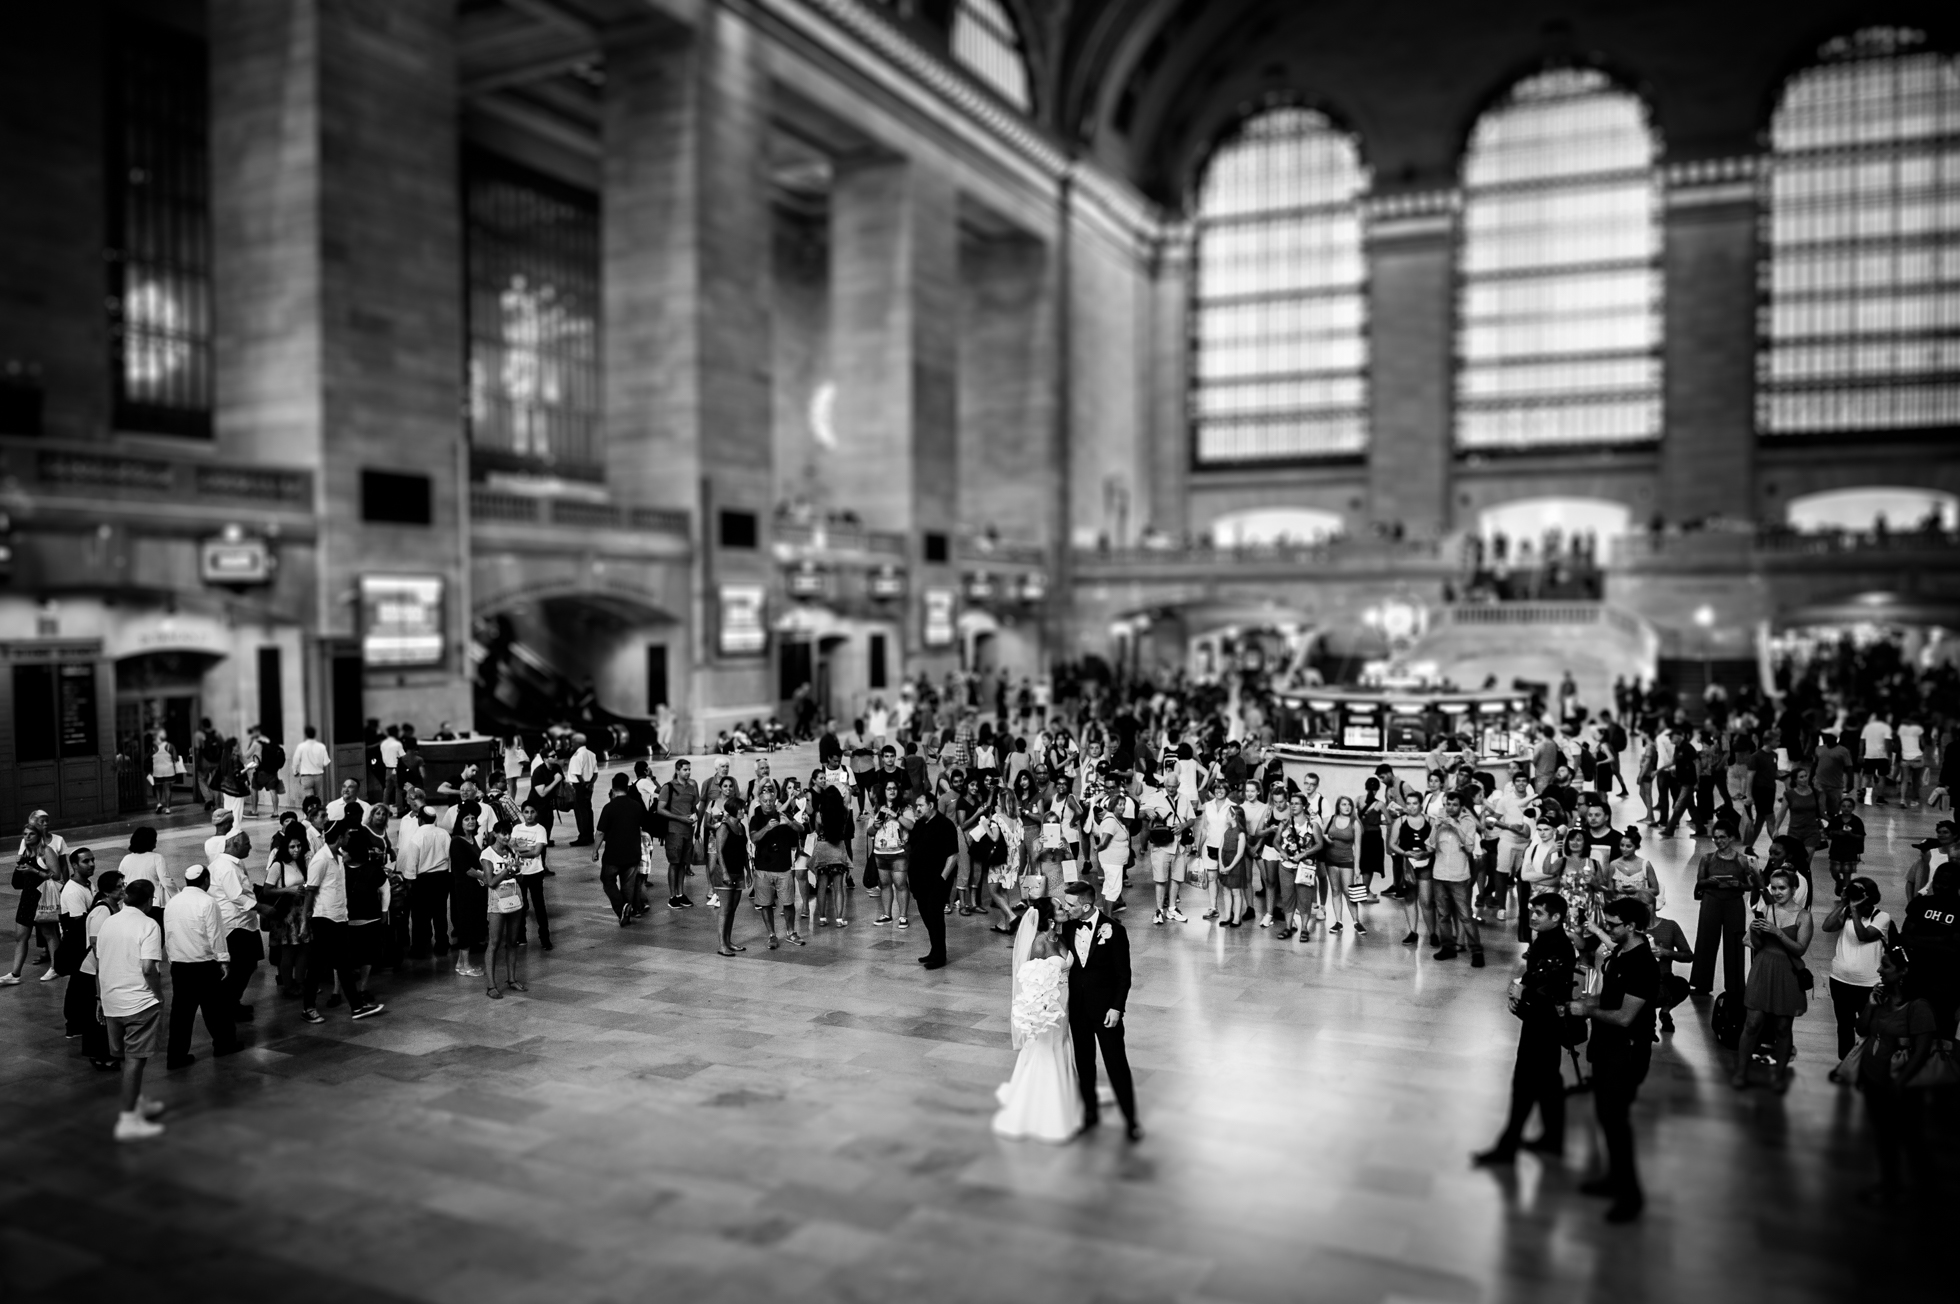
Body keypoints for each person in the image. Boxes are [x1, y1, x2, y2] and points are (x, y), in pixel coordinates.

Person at [1571, 897, 1658, 1223]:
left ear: (1632, 926)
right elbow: (1610, 997)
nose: (1607, 929)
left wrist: (1587, 1009)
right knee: (1607, 1117)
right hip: (1608, 1046)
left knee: (1616, 1120)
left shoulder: (1642, 964)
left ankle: (1630, 1195)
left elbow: (1623, 1016)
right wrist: (1586, 999)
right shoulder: (1621, 951)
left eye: (1612, 924)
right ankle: (1614, 1180)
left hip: (1627, 1050)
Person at [1474, 892, 1578, 1165]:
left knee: (1524, 1084)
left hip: (1543, 1025)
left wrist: (1524, 994)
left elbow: (1551, 988)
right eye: (1532, 910)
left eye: (1539, 913)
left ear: (1556, 917)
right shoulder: (1545, 939)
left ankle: (1507, 1148)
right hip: (1541, 1022)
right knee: (1549, 1082)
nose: (1532, 916)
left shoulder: (1557, 946)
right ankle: (1552, 1139)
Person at [992, 897, 1084, 1143]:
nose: (1066, 909)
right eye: (1061, 908)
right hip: (1048, 1008)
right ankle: (1045, 1110)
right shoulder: (1040, 944)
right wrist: (1041, 1013)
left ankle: (1066, 1100)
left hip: (1065, 1005)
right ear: (1051, 918)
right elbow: (1031, 982)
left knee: (1062, 1044)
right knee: (1046, 1048)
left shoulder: (1060, 937)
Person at [1852, 947, 1939, 1206]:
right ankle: (1890, 1184)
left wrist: (1900, 1083)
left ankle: (1924, 1191)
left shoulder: (1918, 1007)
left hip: (1899, 1086)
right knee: (1884, 1137)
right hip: (1874, 1080)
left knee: (1909, 1137)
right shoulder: (1882, 998)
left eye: (1886, 966)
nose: (1879, 970)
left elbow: (1922, 1051)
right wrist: (1869, 1005)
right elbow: (1862, 1028)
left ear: (1903, 972)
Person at [1059, 881, 1140, 1141]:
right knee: (1084, 1063)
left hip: (1106, 1011)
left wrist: (1117, 1007)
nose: (1066, 908)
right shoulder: (1068, 926)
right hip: (1079, 1009)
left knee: (1116, 1064)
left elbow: (1123, 975)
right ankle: (1090, 1113)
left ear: (1086, 906)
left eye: (1070, 905)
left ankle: (1131, 1120)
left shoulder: (1115, 930)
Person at [95, 878, 169, 1141]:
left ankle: (134, 1102)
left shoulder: (109, 922)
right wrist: (159, 996)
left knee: (127, 1059)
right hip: (139, 1002)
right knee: (135, 1062)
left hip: (113, 1001)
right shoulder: (149, 924)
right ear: (149, 901)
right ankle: (128, 1119)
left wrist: (101, 999)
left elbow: (99, 962)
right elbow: (149, 968)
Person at [1731, 867, 1813, 1092]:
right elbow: (1757, 945)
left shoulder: (1803, 916)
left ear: (1794, 889)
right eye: (1773, 887)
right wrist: (1756, 930)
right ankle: (1741, 1071)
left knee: (1783, 1027)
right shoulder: (1766, 910)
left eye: (1782, 888)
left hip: (1787, 972)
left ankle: (1779, 1076)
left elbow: (1800, 949)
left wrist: (1777, 932)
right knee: (1752, 1023)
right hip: (1763, 967)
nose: (1777, 892)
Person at [162, 864, 240, 1068]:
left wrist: (172, 959)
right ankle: (224, 1044)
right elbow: (215, 934)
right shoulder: (207, 901)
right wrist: (223, 959)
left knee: (181, 1014)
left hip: (180, 965)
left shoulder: (173, 901)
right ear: (205, 880)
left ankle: (175, 1056)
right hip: (204, 965)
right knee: (216, 1009)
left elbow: (169, 933)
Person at [1823, 877, 1890, 1066]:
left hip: (1868, 984)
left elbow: (1864, 936)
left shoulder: (1882, 917)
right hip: (1840, 980)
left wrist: (1854, 909)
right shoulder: (1846, 913)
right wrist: (1844, 903)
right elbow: (1827, 927)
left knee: (1868, 1027)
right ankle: (1846, 1065)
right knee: (1844, 1027)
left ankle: (1867, 1064)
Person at [1687, 820, 1760, 997]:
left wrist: (1738, 884)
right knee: (1705, 941)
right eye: (1716, 838)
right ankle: (1702, 984)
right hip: (1711, 901)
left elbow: (1750, 886)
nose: (1719, 841)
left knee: (1735, 943)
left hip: (1733, 903)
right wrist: (1709, 882)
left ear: (1731, 838)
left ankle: (1735, 987)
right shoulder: (1707, 858)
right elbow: (1700, 881)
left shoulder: (1742, 860)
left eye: (1723, 837)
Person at [205, 826, 263, 1021]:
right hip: (236, 926)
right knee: (240, 968)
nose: (251, 847)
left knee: (248, 966)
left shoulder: (230, 863)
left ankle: (233, 1002)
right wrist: (264, 908)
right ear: (235, 844)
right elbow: (237, 896)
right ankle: (228, 1005)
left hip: (244, 923)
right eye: (247, 843)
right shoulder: (226, 867)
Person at [1428, 790, 1483, 965]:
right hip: (1439, 875)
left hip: (1459, 876)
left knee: (1466, 915)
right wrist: (1436, 827)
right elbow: (1430, 847)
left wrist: (1455, 826)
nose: (1450, 808)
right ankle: (1448, 948)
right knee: (1443, 915)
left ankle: (1477, 951)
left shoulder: (1468, 823)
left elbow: (1469, 847)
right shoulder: (1438, 821)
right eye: (1447, 804)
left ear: (1461, 807)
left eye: (1454, 805)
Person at [907, 790, 960, 970]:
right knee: (926, 915)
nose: (917, 809)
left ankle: (940, 955)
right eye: (916, 806)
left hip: (936, 881)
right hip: (919, 881)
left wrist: (941, 879)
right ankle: (935, 949)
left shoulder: (945, 825)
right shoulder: (920, 824)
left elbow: (953, 856)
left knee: (935, 916)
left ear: (931, 805)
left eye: (920, 805)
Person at [749, 783, 800, 950]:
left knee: (788, 902)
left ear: (775, 801)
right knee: (765, 903)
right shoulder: (756, 819)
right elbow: (754, 838)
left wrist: (789, 824)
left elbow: (802, 829)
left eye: (771, 800)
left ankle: (791, 932)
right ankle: (771, 934)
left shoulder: (783, 815)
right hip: (763, 868)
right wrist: (767, 827)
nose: (768, 804)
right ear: (760, 802)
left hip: (783, 867)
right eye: (765, 801)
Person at [482, 821, 528, 998]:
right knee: (494, 942)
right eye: (502, 833)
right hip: (497, 900)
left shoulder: (512, 851)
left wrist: (516, 870)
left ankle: (511, 979)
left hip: (515, 898)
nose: (506, 837)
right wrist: (507, 869)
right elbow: (490, 882)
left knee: (513, 941)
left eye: (508, 833)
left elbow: (521, 879)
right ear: (495, 834)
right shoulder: (487, 854)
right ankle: (491, 985)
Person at [594, 774, 645, 926]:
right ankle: (626, 915)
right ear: (627, 788)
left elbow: (600, 832)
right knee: (628, 886)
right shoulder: (636, 806)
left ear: (613, 789)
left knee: (607, 879)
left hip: (613, 854)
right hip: (633, 853)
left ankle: (621, 906)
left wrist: (595, 850)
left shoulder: (609, 807)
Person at [509, 801, 552, 950]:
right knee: (519, 905)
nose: (529, 815)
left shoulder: (540, 830)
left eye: (532, 812)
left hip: (535, 872)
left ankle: (545, 938)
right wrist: (529, 847)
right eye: (526, 812)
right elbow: (511, 846)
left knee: (539, 905)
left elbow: (536, 852)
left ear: (537, 813)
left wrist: (520, 849)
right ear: (522, 813)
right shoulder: (516, 828)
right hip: (519, 872)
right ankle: (521, 936)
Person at [657, 759, 700, 909]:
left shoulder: (691, 787)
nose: (688, 772)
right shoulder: (668, 787)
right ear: (677, 770)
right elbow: (660, 809)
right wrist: (680, 818)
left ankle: (681, 894)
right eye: (685, 770)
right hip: (674, 830)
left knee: (683, 863)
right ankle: (672, 895)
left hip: (688, 830)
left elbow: (693, 806)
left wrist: (695, 816)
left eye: (689, 769)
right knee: (674, 863)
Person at [566, 733, 598, 846]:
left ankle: (583, 837)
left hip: (579, 786)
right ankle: (590, 835)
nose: (571, 744)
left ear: (577, 743)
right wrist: (590, 784)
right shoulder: (591, 754)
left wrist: (584, 785)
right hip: (589, 785)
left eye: (572, 742)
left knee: (580, 811)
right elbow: (595, 773)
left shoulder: (577, 756)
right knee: (588, 810)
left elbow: (577, 774)